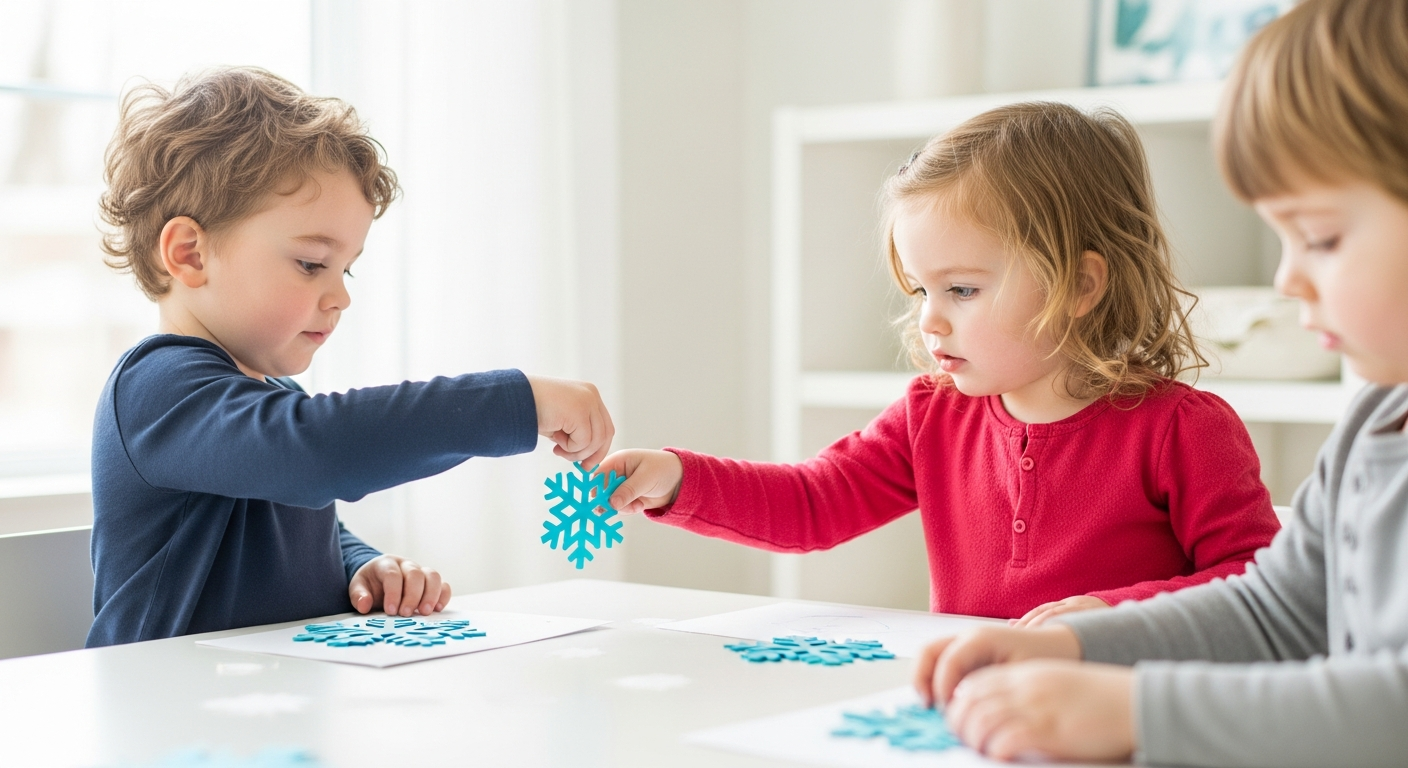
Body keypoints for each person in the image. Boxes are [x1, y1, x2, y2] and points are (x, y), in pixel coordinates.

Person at [912, 1, 1408, 764]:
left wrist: (1141, 710)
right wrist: (1078, 645)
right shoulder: (1377, 422)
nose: (1286, 277)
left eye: (1320, 237)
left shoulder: (1184, 424)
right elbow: (1277, 613)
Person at [601, 100, 1279, 626]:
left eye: (962, 289)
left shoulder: (1182, 429)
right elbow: (814, 502)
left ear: (1079, 285)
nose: (930, 318)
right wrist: (678, 479)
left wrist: (1116, 615)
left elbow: (1261, 580)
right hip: (976, 708)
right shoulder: (933, 412)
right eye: (921, 290)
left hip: (1123, 714)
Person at [88, 67, 613, 647]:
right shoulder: (156, 388)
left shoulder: (274, 399)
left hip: (271, 706)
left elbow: (305, 520)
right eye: (312, 264)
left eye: (346, 268)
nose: (340, 297)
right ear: (190, 254)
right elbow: (313, 454)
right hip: (163, 714)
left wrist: (358, 564)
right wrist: (514, 402)